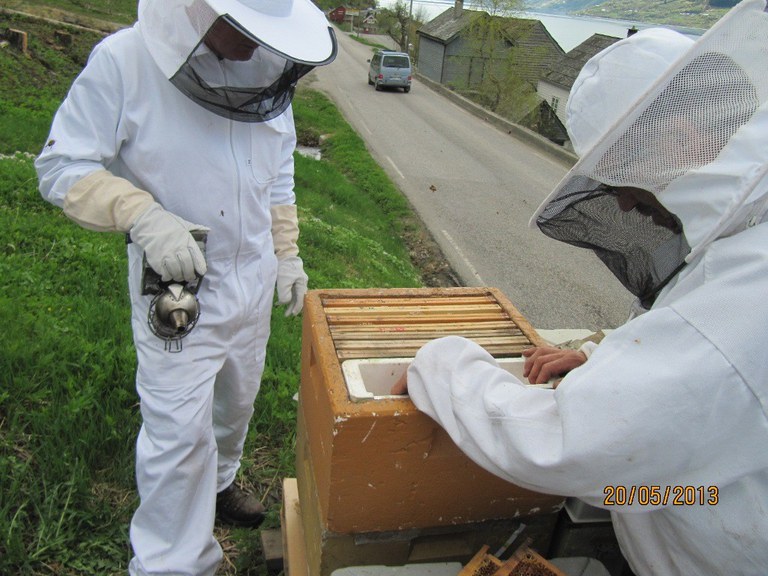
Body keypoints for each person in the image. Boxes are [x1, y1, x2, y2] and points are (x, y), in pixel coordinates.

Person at [391, 1, 768, 574]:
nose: (620, 199)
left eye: (622, 173)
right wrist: (603, 358)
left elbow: (567, 444)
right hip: (707, 492)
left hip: (726, 544)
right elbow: (706, 360)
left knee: (600, 485)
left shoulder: (741, 296)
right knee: (608, 492)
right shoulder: (748, 237)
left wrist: (439, 364)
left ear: (683, 137)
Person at [35, 0, 336, 573]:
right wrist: (141, 214)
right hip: (178, 286)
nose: (258, 47)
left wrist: (288, 253)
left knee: (237, 401)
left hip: (253, 278)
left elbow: (279, 174)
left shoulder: (266, 71)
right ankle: (174, 560)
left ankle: (221, 484)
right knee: (176, 432)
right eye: (246, 30)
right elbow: (61, 166)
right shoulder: (124, 62)